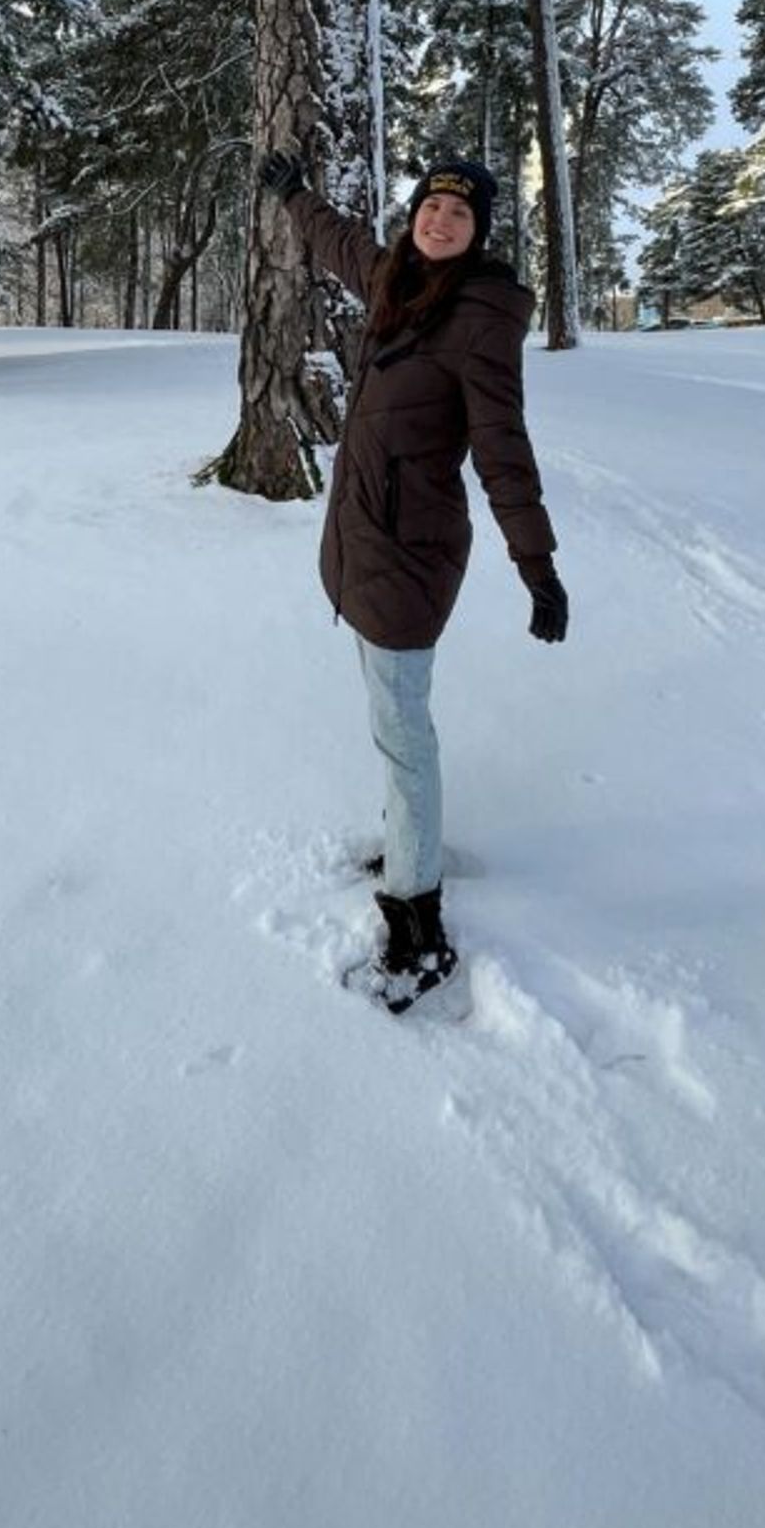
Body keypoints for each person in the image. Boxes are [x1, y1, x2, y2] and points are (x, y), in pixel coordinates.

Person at [256, 146, 568, 1017]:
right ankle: (407, 845)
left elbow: (505, 450)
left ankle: (418, 916)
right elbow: (339, 241)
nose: (441, 221)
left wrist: (535, 566)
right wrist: (295, 196)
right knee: (390, 718)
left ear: (478, 235)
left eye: (460, 216)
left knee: (403, 731)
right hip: (364, 540)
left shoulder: (480, 319)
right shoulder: (397, 278)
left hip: (412, 551)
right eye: (434, 207)